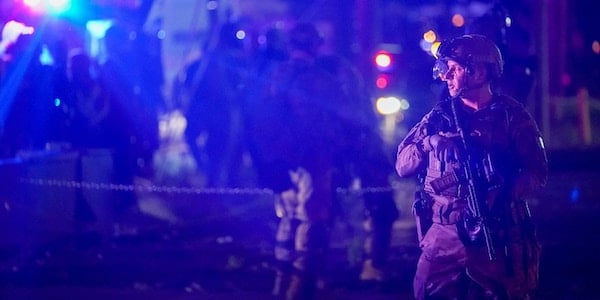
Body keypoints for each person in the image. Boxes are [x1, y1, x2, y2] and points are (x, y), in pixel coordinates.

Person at [395, 34, 548, 299]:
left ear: (477, 72)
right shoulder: (438, 117)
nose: (446, 76)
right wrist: (430, 143)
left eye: (453, 69)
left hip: (498, 232)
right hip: (445, 234)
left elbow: (537, 173)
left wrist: (503, 185)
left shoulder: (512, 117)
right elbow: (403, 165)